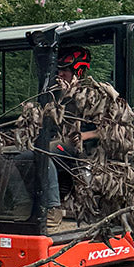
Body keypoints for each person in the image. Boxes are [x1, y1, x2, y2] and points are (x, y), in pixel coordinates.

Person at [39, 47, 92, 228]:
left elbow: (112, 127)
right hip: (59, 140)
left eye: (66, 70)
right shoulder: (56, 92)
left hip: (80, 147)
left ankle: (53, 210)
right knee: (23, 152)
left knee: (43, 152)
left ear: (78, 71)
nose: (60, 74)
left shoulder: (92, 93)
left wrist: (85, 135)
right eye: (59, 69)